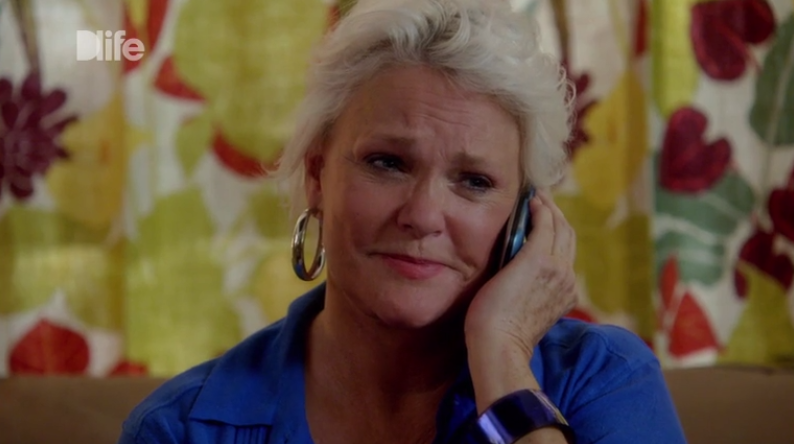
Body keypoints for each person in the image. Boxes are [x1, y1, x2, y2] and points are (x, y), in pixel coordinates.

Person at [118, 0, 688, 443]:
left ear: (524, 220)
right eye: (387, 163)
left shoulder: (602, 380)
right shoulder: (180, 428)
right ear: (317, 177)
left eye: (474, 181)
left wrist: (503, 360)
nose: (422, 216)